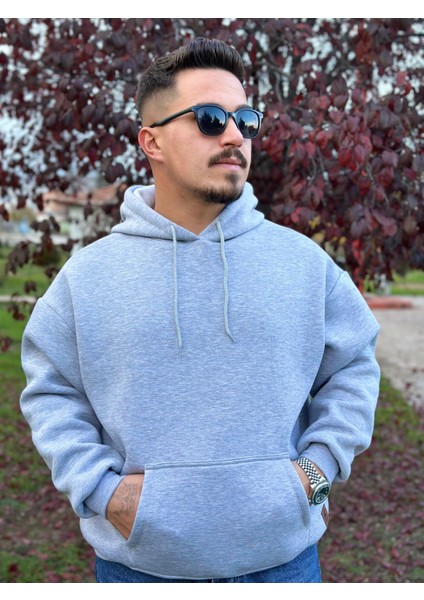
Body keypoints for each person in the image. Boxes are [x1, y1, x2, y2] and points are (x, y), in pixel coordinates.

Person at [20, 37, 381, 583]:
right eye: (210, 119)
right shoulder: (86, 278)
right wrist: (104, 492)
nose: (235, 136)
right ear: (152, 141)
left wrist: (316, 473)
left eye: (246, 120)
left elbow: (353, 366)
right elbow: (51, 392)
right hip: (141, 571)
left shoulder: (304, 264)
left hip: (284, 567)